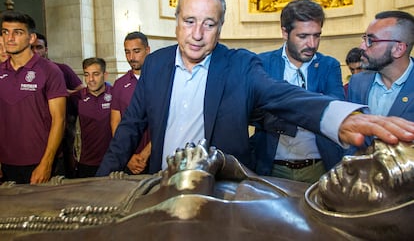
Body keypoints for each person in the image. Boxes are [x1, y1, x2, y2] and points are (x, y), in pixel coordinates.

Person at [96, 0, 414, 177]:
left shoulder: (240, 65)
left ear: (220, 29)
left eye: (208, 24)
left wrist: (337, 116)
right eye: (189, 21)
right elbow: (130, 126)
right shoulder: (155, 64)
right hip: (160, 187)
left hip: (220, 197)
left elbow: (283, 96)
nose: (196, 34)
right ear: (176, 22)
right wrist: (102, 181)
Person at [0, 139, 413, 240]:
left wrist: (193, 174)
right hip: (138, 190)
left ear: (395, 214)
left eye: (377, 177)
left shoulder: (311, 233)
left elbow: (184, 228)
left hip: (122, 219)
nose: (351, 163)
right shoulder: (318, 202)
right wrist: (230, 166)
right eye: (369, 156)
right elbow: (260, 189)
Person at [251, 0, 345, 183]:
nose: (312, 44)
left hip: (319, 168)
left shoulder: (329, 65)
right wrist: (314, 106)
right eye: (303, 36)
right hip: (270, 167)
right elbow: (253, 112)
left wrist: (280, 110)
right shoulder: (262, 63)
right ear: (285, 32)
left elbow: (334, 111)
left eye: (317, 35)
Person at [0, 11, 67, 184]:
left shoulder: (50, 71)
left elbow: (59, 120)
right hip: (7, 164)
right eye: (5, 32)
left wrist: (46, 163)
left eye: (18, 32)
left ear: (31, 38)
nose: (10, 38)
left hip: (41, 162)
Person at [32, 32, 84, 178]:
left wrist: (62, 93)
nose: (36, 51)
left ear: (46, 49)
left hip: (65, 127)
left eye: (39, 47)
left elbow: (82, 91)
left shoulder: (60, 69)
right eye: (33, 48)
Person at [348, 11, 414, 125]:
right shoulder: (356, 82)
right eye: (364, 38)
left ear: (398, 49)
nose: (362, 46)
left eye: (371, 41)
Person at [111, 31, 151, 174]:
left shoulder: (162, 80)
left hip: (157, 156)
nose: (131, 57)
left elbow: (168, 122)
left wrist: (146, 154)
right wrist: (126, 156)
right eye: (127, 52)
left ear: (147, 50)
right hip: (129, 160)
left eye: (136, 51)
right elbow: (116, 123)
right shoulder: (119, 84)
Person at [70, 57, 113, 178]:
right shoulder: (76, 98)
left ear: (105, 75)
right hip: (86, 163)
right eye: (87, 75)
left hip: (112, 161)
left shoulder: (115, 94)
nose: (91, 79)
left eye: (96, 74)